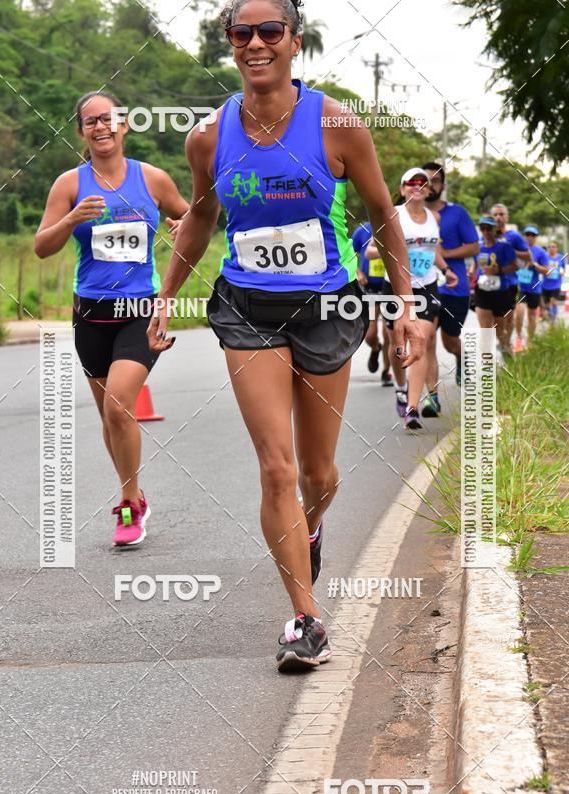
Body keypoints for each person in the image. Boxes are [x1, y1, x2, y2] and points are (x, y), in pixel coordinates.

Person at [148, 0, 423, 672]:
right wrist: (165, 295)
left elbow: (382, 211)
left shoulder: (336, 124)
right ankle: (306, 618)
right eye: (242, 33)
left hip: (327, 308)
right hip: (247, 309)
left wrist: (406, 302)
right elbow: (203, 215)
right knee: (276, 468)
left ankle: (315, 521)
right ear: (231, 44)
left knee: (317, 473)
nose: (256, 43)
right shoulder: (208, 136)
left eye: (270, 31)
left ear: (295, 42)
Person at [35, 90, 189, 547]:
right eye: (90, 122)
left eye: (108, 119)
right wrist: (71, 220)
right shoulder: (69, 184)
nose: (101, 127)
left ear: (124, 125)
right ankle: (137, 491)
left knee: (119, 405)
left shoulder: (153, 179)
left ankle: (127, 503)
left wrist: (181, 225)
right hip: (91, 314)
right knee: (111, 415)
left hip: (140, 310)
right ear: (82, 131)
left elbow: (190, 218)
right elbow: (42, 246)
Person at [366, 167, 458, 429]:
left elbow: (434, 249)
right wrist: (394, 251)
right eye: (411, 182)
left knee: (424, 337)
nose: (417, 185)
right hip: (395, 287)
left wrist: (446, 269)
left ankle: (413, 407)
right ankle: (400, 387)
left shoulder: (434, 217)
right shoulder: (393, 214)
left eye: (423, 182)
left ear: (429, 189)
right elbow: (371, 251)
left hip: (427, 286)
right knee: (398, 342)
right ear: (403, 188)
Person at [423, 162, 479, 390]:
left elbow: (474, 247)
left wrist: (444, 254)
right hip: (425, 287)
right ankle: (431, 396)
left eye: (435, 180)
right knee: (427, 341)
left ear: (442, 185)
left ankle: (460, 356)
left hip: (454, 288)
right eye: (424, 179)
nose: (429, 184)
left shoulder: (457, 213)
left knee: (450, 342)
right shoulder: (410, 214)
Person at [351, 221, 392, 385]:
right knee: (369, 333)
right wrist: (358, 272)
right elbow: (349, 254)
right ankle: (376, 348)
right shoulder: (362, 230)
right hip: (370, 287)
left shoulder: (394, 226)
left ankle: (386, 372)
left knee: (389, 332)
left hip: (390, 286)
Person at [472, 215, 518, 351]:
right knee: (486, 331)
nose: (486, 231)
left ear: (495, 229)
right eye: (483, 228)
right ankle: (488, 370)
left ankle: (507, 352)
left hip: (501, 292)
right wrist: (471, 272)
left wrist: (499, 270)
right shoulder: (477, 247)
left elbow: (515, 266)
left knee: (499, 331)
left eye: (489, 228)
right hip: (482, 291)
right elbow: (475, 265)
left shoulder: (505, 247)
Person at [490, 203, 531, 347]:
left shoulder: (514, 236)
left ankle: (506, 343)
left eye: (501, 214)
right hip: (491, 283)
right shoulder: (487, 234)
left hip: (510, 283)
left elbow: (527, 256)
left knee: (509, 319)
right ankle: (502, 342)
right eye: (495, 215)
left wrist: (510, 249)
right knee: (495, 319)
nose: (498, 217)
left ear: (506, 217)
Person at [514, 225, 549, 347]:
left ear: (536, 237)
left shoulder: (540, 252)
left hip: (534, 288)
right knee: (519, 312)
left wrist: (535, 265)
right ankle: (519, 337)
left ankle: (530, 340)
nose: (530, 237)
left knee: (532, 316)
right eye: (527, 234)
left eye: (532, 235)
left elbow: (547, 271)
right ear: (524, 236)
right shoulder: (518, 249)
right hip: (520, 288)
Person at [541, 241, 566, 321]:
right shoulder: (545, 257)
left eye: (554, 247)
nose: (552, 248)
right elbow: (541, 267)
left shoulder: (560, 257)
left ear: (557, 248)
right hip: (545, 285)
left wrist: (562, 273)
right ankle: (550, 319)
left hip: (556, 284)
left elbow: (564, 268)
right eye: (550, 247)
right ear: (548, 249)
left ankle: (553, 320)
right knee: (547, 305)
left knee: (553, 302)